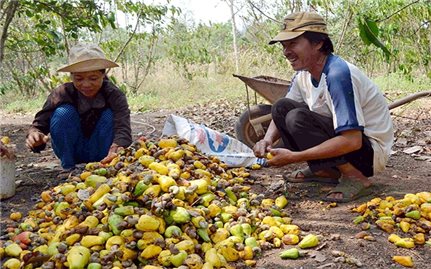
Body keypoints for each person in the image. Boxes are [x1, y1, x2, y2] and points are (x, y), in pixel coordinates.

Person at [253, 11, 393, 202]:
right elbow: (282, 110)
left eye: (293, 43)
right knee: (281, 107)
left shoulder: (338, 75)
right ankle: (326, 170)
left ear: (318, 43)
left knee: (297, 118)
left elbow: (353, 141)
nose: (286, 52)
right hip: (348, 145)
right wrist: (267, 140)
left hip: (368, 154)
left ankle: (355, 177)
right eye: (284, 46)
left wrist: (295, 157)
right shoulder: (304, 73)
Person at [26, 44, 132, 178]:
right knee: (63, 113)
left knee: (109, 115)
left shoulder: (114, 94)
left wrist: (118, 145)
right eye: (79, 78)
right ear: (71, 77)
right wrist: (36, 136)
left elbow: (123, 127)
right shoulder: (62, 93)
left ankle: (104, 166)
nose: (86, 84)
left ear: (103, 75)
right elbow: (39, 125)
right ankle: (68, 167)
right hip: (73, 150)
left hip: (103, 150)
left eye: (93, 78)